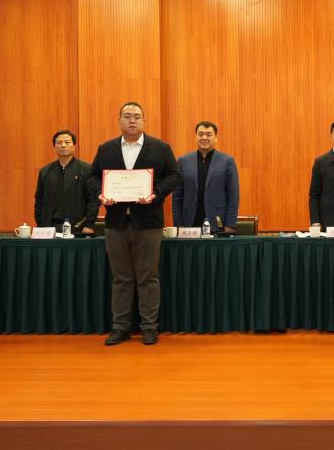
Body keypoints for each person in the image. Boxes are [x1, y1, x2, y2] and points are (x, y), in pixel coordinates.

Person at [90, 102, 181, 346]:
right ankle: (120, 327)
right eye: (127, 116)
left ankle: (149, 327)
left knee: (148, 277)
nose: (132, 120)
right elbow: (92, 177)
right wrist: (101, 194)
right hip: (116, 222)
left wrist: (155, 193)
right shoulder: (106, 149)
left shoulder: (160, 148)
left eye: (137, 116)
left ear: (143, 120)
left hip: (148, 222)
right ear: (119, 120)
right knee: (121, 277)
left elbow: (175, 176)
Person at [172, 121, 239, 233]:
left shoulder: (227, 161)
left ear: (216, 138)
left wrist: (230, 225)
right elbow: (177, 196)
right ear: (195, 137)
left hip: (218, 224)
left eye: (209, 134)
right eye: (200, 134)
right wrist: (178, 224)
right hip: (189, 224)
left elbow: (233, 196)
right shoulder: (183, 161)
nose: (204, 138)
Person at [34, 130, 100, 234]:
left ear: (74, 146)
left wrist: (89, 224)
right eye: (59, 143)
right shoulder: (45, 171)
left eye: (67, 142)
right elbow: (39, 200)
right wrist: (40, 224)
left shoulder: (86, 169)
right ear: (54, 147)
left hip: (78, 226)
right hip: (50, 226)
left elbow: (93, 200)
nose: (63, 145)